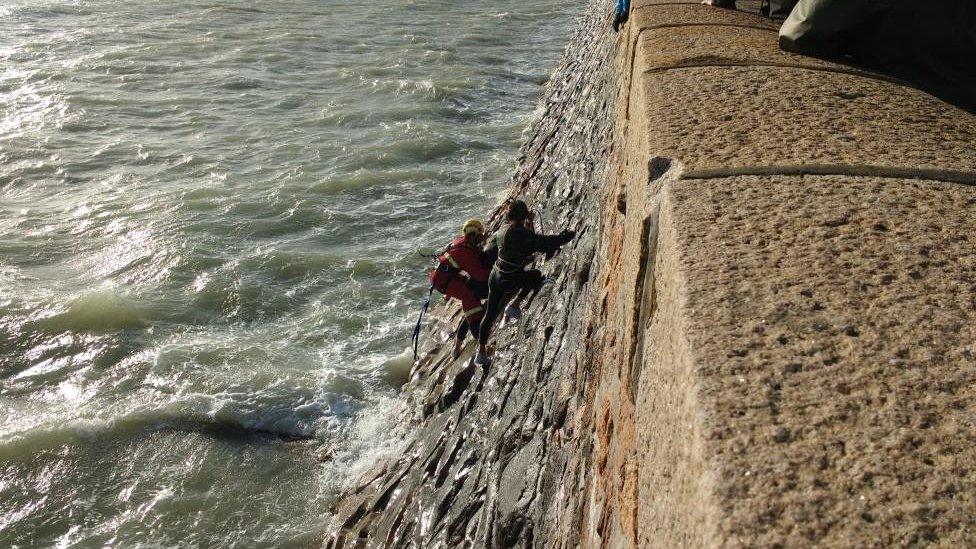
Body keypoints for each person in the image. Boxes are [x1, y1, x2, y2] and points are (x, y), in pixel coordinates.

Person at [474, 200, 575, 366]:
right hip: (509, 278)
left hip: (495, 275)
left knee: (489, 314)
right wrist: (566, 236)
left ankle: (481, 352)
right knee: (535, 276)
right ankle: (514, 305)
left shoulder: (504, 226)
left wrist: (528, 222)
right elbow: (541, 243)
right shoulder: (520, 233)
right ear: (523, 215)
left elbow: (525, 241)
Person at [428, 219, 495, 359]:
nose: (480, 240)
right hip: (445, 281)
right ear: (472, 235)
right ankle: (480, 342)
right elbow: (480, 275)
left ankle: (457, 346)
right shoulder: (464, 252)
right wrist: (497, 272)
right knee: (471, 302)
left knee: (472, 303)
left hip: (445, 277)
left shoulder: (462, 243)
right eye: (478, 236)